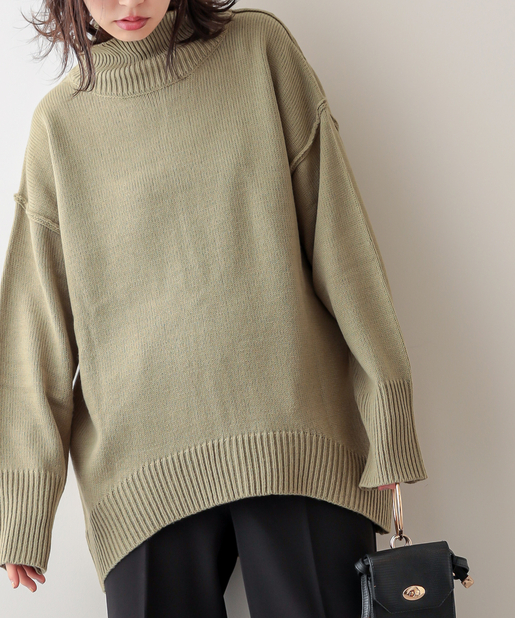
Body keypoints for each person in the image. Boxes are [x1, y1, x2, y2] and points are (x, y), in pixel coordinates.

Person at [0, 0, 428, 615]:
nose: (129, 4)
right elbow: (33, 331)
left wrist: (387, 409)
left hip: (294, 440)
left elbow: (341, 243)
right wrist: (22, 509)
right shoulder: (58, 126)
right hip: (139, 478)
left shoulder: (259, 49)